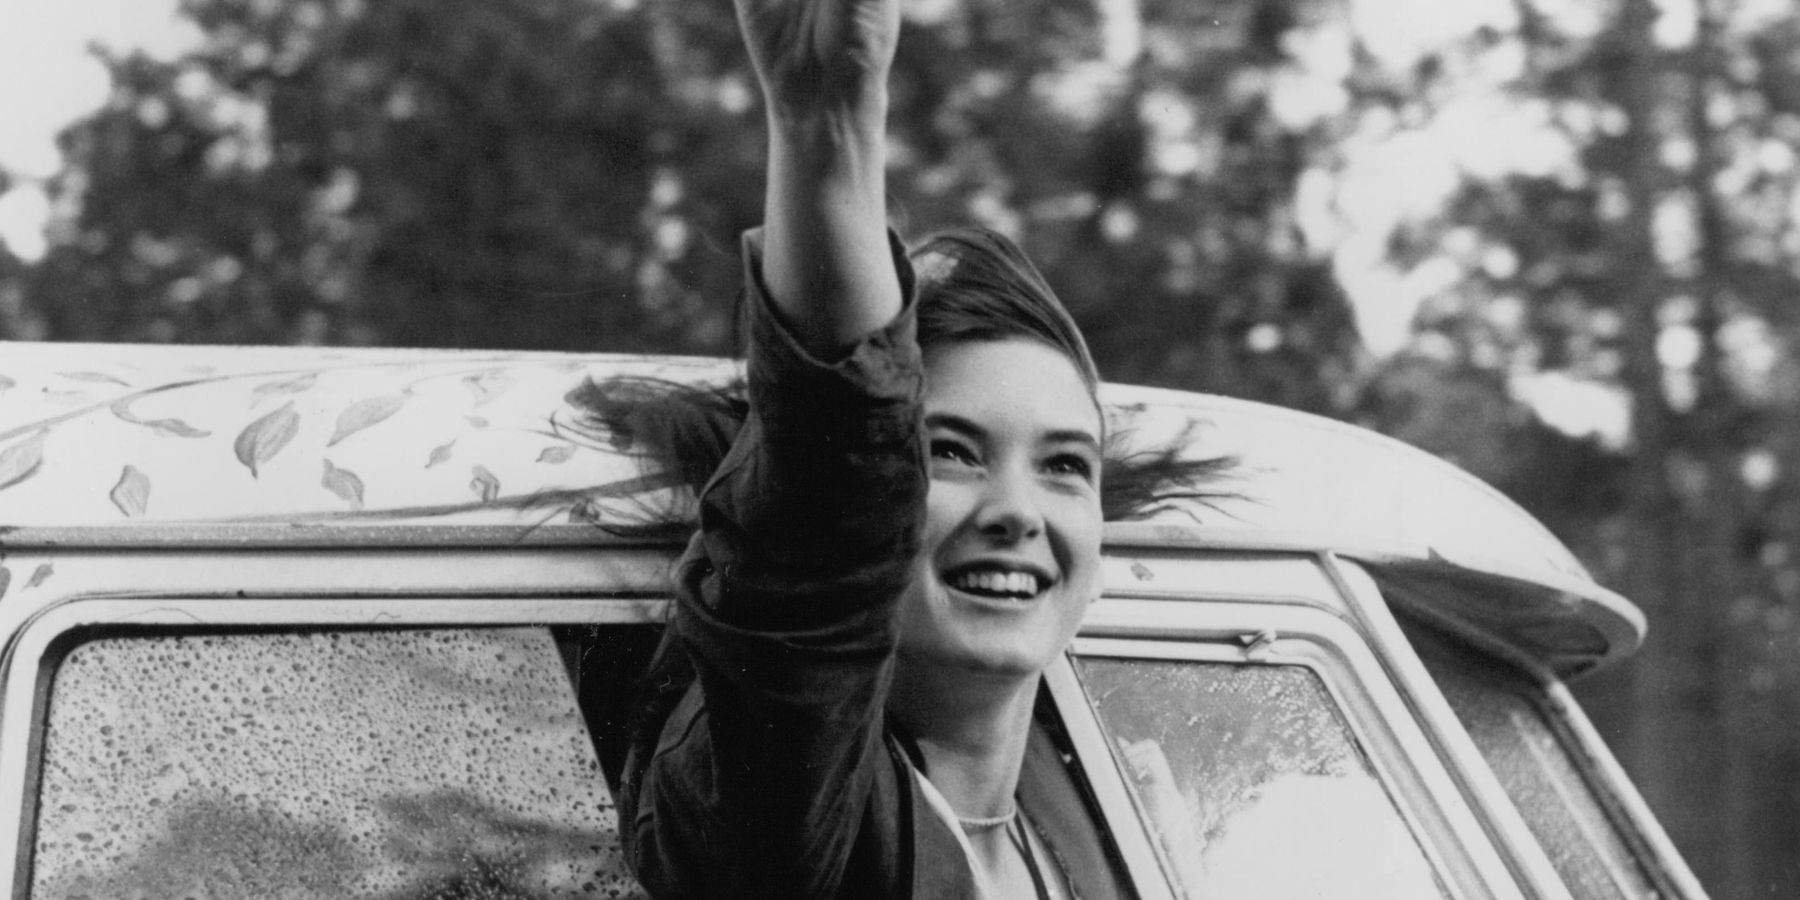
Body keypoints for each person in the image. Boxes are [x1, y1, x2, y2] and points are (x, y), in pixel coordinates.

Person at [580, 0, 1231, 896]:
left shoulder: (1113, 828)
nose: (1017, 513)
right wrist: (826, 124)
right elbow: (821, 532)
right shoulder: (796, 838)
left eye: (1065, 465)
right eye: (952, 454)